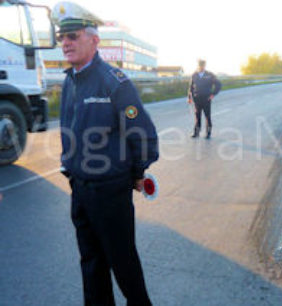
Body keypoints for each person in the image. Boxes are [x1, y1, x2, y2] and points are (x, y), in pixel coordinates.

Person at [53, 2, 158, 305]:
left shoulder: (114, 81)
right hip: (80, 190)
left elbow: (143, 133)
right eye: (62, 38)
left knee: (124, 267)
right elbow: (69, 130)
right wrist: (68, 165)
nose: (66, 43)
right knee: (91, 266)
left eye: (72, 35)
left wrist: (138, 172)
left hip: (110, 192)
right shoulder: (70, 81)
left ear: (94, 40)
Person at [187, 59, 222, 139]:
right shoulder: (194, 75)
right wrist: (189, 97)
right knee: (197, 116)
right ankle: (196, 132)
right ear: (198, 65)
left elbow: (218, 84)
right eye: (200, 65)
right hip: (197, 99)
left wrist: (213, 94)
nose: (201, 67)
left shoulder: (209, 75)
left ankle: (208, 133)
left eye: (202, 65)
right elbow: (191, 87)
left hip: (206, 99)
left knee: (207, 116)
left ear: (204, 66)